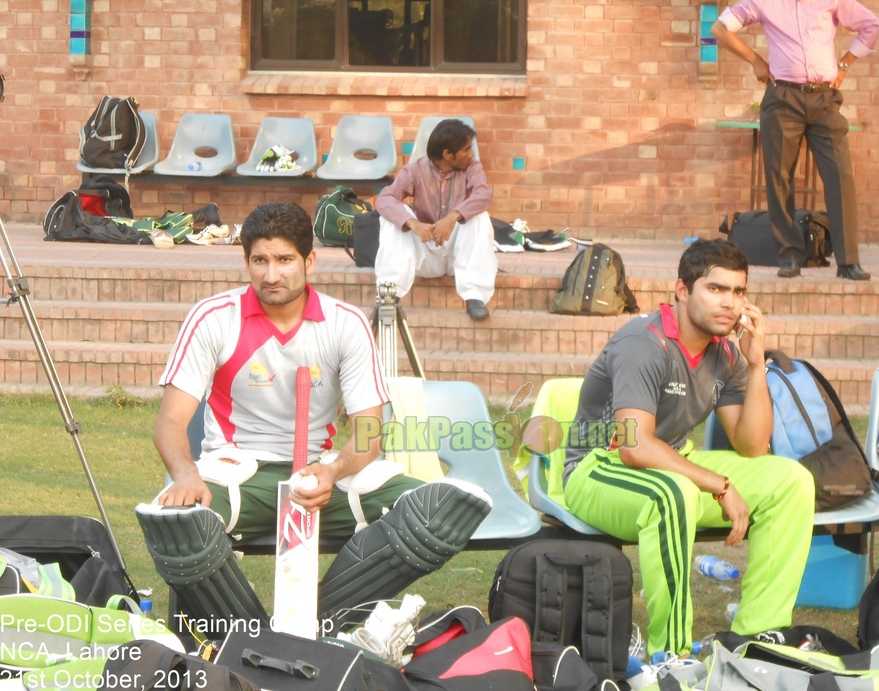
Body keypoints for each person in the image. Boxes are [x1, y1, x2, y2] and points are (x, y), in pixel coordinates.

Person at [137, 202, 490, 630]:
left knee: (441, 510)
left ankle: (313, 628)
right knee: (174, 524)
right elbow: (171, 422)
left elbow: (369, 434)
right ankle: (256, 641)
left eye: (285, 260)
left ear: (309, 261)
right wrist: (186, 476)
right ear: (245, 261)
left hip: (323, 473)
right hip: (236, 469)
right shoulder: (214, 318)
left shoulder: (346, 324)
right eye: (260, 261)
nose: (271, 275)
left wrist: (335, 470)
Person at [562, 239, 815, 657]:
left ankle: (758, 638)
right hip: (597, 466)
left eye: (738, 292)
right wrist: (717, 484)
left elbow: (753, 447)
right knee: (672, 495)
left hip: (670, 462)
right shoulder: (643, 342)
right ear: (682, 290)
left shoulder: (725, 354)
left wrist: (755, 366)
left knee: (790, 481)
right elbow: (634, 445)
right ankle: (673, 657)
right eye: (715, 289)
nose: (730, 304)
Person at [711, 0, 879, 280]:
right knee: (779, 178)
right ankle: (790, 256)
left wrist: (845, 65)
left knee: (840, 176)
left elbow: (871, 26)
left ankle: (848, 261)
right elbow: (720, 28)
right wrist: (755, 60)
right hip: (782, 98)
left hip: (824, 99)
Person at [375, 119, 496, 320]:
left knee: (480, 217)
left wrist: (453, 216)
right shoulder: (415, 170)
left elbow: (484, 195)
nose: (472, 154)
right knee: (393, 217)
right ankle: (389, 296)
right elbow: (385, 199)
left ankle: (475, 297)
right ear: (448, 154)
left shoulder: (472, 168)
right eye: (466, 149)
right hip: (422, 254)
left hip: (456, 255)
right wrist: (412, 223)